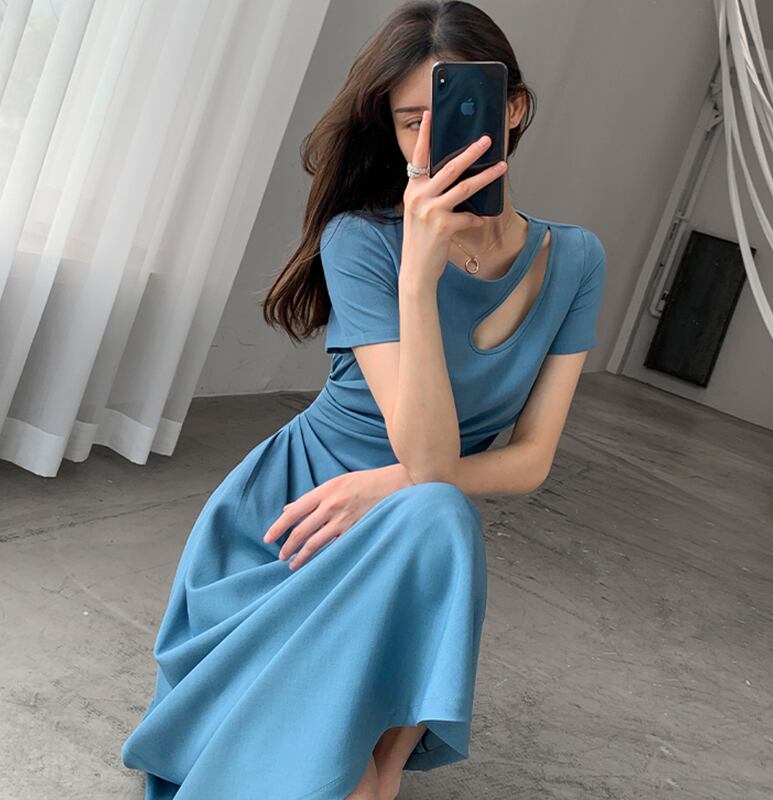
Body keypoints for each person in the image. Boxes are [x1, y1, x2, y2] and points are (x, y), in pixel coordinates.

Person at [120, 1, 606, 798]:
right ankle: (372, 779)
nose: (431, 143)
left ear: (512, 108)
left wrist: (386, 486)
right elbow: (432, 460)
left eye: (453, 115)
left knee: (434, 513)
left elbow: (530, 460)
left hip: (396, 517)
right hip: (297, 519)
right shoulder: (362, 240)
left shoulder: (576, 259)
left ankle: (377, 774)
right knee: (440, 511)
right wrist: (418, 277)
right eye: (412, 123)